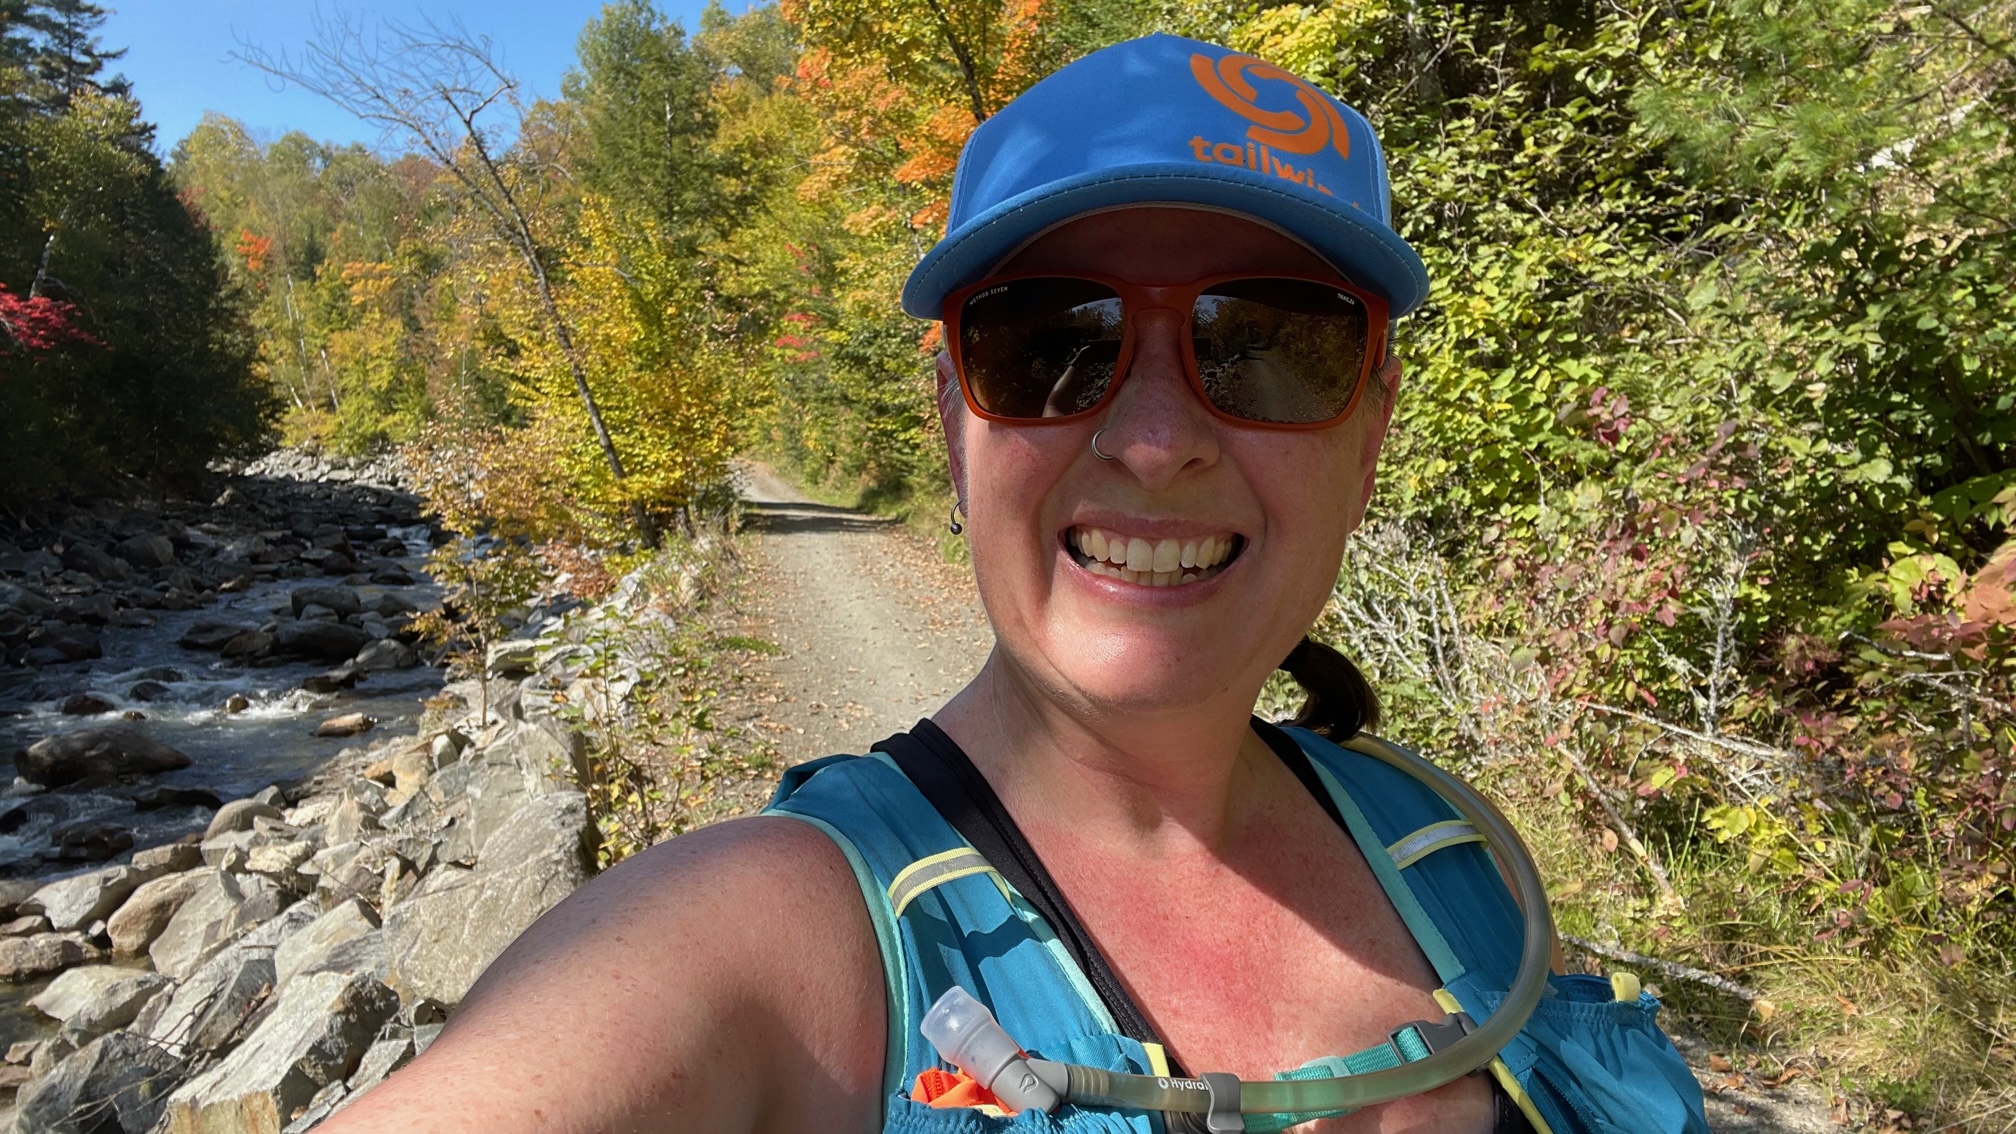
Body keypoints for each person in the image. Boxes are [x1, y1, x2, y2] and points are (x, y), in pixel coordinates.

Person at [327, 34, 1709, 1134]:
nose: (1156, 438)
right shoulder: (766, 936)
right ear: (952, 418)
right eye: (1047, 341)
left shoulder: (1454, 854)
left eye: (1267, 344)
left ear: (1371, 424)